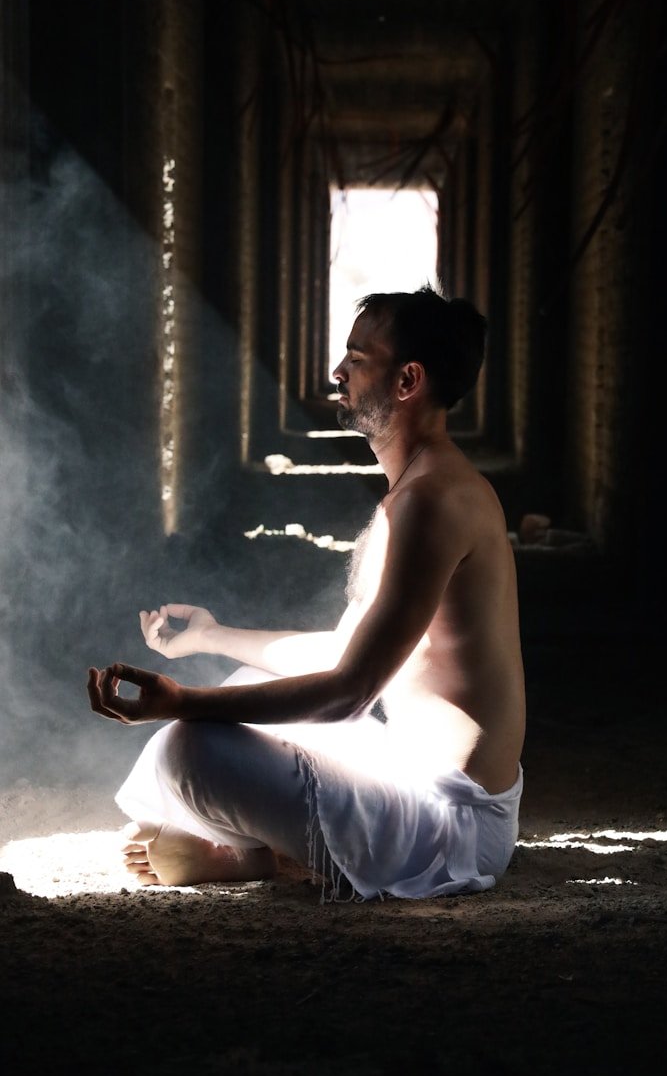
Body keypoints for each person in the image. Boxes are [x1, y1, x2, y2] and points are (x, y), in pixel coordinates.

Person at [88, 285, 526, 899]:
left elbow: (346, 694)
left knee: (191, 742)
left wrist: (180, 700)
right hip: (405, 774)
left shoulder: (435, 502)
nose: (337, 373)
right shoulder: (417, 491)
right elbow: (344, 652)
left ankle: (248, 852)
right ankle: (251, 850)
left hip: (449, 825)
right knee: (239, 692)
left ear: (408, 381)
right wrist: (211, 638)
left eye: (356, 358)